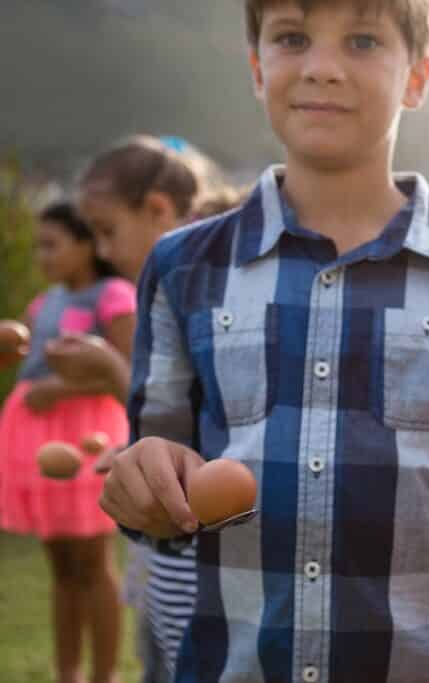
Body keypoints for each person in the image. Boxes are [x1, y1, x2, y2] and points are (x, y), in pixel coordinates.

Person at [98, 1, 429, 682]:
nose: (322, 68)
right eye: (292, 38)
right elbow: (157, 491)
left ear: (418, 76)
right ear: (259, 69)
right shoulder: (183, 268)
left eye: (364, 41)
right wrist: (142, 488)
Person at [49, 135, 233, 683]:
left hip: (199, 564)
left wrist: (109, 370)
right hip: (164, 556)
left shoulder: (212, 294)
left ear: (157, 210)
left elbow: (205, 426)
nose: (102, 252)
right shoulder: (167, 295)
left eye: (108, 232)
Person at [0, 201, 135, 683]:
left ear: (86, 244)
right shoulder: (44, 303)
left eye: (52, 244)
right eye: (39, 245)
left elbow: (129, 372)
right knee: (60, 562)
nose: (43, 255)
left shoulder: (113, 296)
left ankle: (103, 675)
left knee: (93, 562)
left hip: (86, 439)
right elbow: (30, 358)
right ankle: (67, 674)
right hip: (38, 438)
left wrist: (62, 390)